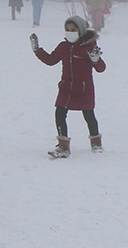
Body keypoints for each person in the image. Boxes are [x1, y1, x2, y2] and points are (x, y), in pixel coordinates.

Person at [30, 16, 106, 158]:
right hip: (66, 88)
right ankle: (63, 146)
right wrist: (37, 50)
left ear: (81, 31)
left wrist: (96, 60)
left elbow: (101, 68)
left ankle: (96, 143)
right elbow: (51, 60)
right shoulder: (63, 47)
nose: (69, 32)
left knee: (89, 115)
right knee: (59, 113)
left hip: (84, 88)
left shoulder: (89, 47)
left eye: (73, 30)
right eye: (67, 30)